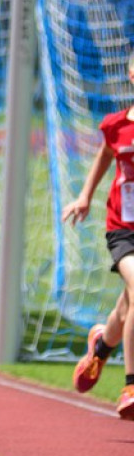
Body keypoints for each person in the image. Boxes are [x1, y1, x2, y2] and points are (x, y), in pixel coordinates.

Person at [62, 50, 134, 421]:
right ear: (132, 73)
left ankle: (101, 346)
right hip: (123, 228)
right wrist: (85, 196)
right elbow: (105, 155)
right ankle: (131, 386)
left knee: (128, 303)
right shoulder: (117, 125)